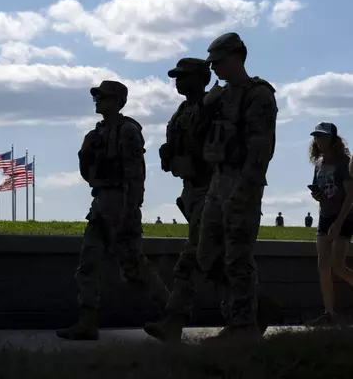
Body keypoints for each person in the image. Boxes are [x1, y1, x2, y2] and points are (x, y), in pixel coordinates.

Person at [144, 57, 277, 343]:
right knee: (213, 258)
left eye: (184, 76)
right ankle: (253, 309)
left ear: (202, 78)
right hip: (191, 191)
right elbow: (178, 147)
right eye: (176, 77)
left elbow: (224, 145)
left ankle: (175, 320)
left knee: (194, 256)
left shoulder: (218, 105)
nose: (178, 81)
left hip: (213, 189)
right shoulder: (182, 111)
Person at [55, 80, 170, 341]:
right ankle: (87, 322)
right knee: (87, 264)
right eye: (97, 97)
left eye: (104, 97)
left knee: (135, 267)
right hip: (101, 202)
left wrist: (130, 210)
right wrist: (85, 153)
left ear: (119, 102)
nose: (98, 100)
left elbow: (136, 174)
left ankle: (171, 312)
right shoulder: (96, 134)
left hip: (122, 201)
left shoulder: (128, 131)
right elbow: (89, 174)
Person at [196, 32, 278, 342]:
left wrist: (246, 189)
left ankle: (242, 326)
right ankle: (254, 308)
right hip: (219, 179)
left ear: (237, 57)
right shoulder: (220, 96)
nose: (214, 68)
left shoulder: (258, 95)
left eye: (219, 62)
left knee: (237, 255)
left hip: (243, 181)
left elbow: (261, 148)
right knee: (207, 254)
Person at [306, 122, 353, 326]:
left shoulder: (344, 162)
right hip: (324, 216)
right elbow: (322, 190)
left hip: (344, 216)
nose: (318, 140)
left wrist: (339, 221)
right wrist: (318, 196)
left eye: (323, 137)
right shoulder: (319, 163)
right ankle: (329, 313)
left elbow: (350, 196)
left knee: (338, 266)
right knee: (322, 266)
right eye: (316, 137)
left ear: (333, 139)